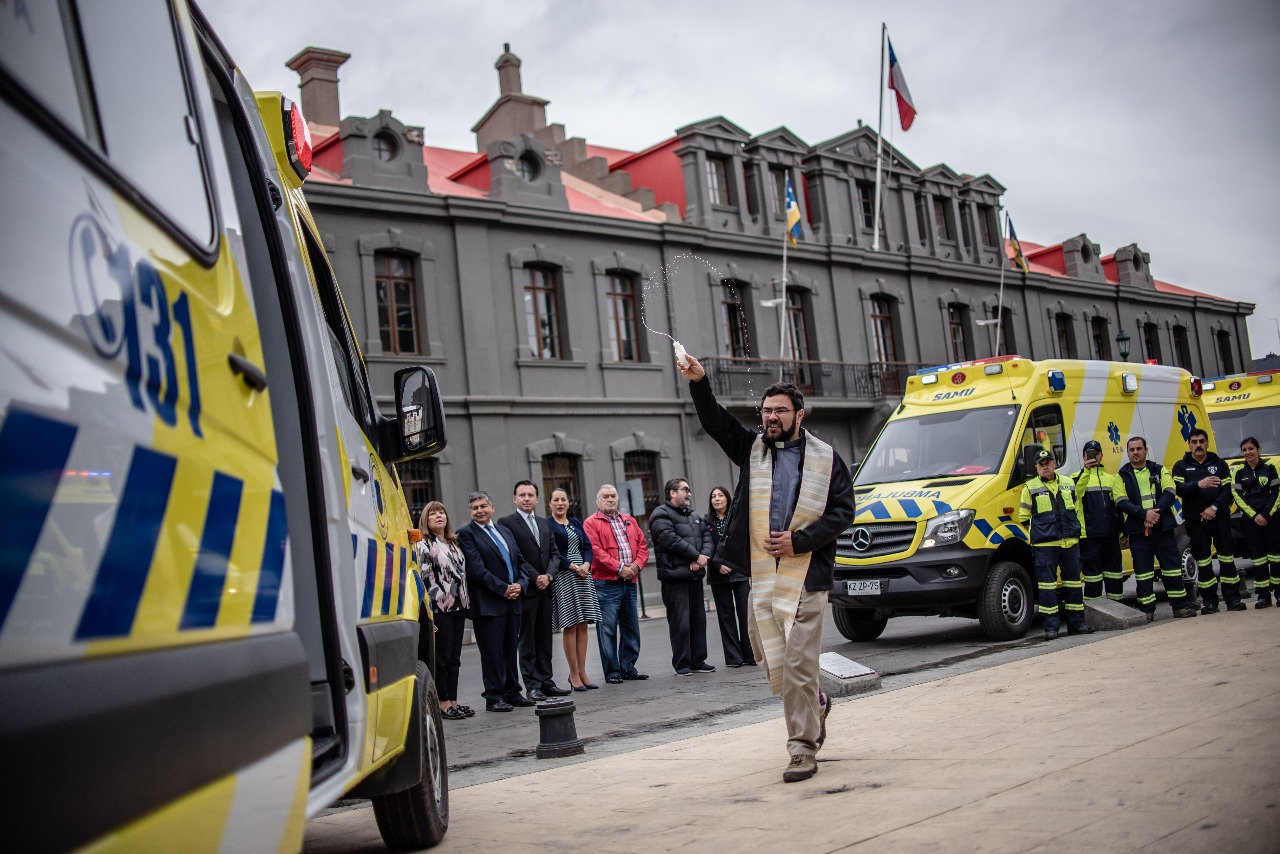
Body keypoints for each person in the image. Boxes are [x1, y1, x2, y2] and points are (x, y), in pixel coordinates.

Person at [678, 354, 855, 784]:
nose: (771, 417)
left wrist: (801, 539)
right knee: (770, 657)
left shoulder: (827, 459)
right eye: (766, 411)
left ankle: (801, 749)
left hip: (808, 576)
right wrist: (700, 382)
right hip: (762, 576)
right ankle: (816, 701)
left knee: (796, 664)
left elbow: (844, 511)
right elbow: (716, 423)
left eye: (779, 411)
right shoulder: (752, 450)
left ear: (799, 414)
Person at [457, 491, 537, 711]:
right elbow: (476, 570)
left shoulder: (504, 531)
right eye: (475, 508)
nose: (480, 511)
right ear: (470, 511)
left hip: (513, 601)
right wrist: (503, 589)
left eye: (483, 506)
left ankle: (513, 692)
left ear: (492, 508)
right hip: (489, 604)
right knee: (492, 653)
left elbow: (520, 562)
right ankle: (494, 696)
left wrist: (521, 585)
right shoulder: (467, 534)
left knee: (511, 649)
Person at [499, 480, 572, 700]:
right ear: (515, 498)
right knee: (527, 640)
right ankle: (532, 685)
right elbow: (515, 556)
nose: (527, 498)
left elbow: (555, 554)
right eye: (522, 495)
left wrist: (548, 576)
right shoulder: (506, 523)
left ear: (537, 499)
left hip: (546, 589)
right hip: (527, 590)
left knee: (544, 639)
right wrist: (535, 577)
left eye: (530, 495)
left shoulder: (544, 523)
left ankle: (546, 680)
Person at [1114, 436, 1197, 621]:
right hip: (1138, 530)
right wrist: (1144, 515)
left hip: (1163, 528)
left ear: (1145, 450)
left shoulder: (1159, 470)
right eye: (1132, 449)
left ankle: (1180, 607)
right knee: (1143, 572)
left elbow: (1170, 491)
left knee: (1171, 569)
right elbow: (1121, 501)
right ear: (1128, 453)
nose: (1135, 452)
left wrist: (1154, 513)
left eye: (1139, 449)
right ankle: (1147, 610)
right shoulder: (1121, 475)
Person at [1019, 448, 1094, 640]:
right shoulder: (1029, 488)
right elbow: (1024, 518)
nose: (1046, 466)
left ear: (1055, 464)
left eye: (1049, 462)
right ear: (1036, 467)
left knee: (1074, 585)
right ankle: (1051, 627)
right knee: (1047, 588)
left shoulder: (1068, 483)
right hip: (1045, 547)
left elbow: (1076, 509)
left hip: (1070, 543)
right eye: (1041, 464)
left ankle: (1076, 624)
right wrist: (1042, 535)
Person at [583, 484, 649, 685]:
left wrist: (636, 566)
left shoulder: (629, 521)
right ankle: (612, 671)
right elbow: (595, 551)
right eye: (605, 496)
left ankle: (628, 667)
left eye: (613, 496)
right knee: (608, 629)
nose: (610, 499)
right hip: (606, 583)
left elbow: (643, 547)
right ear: (598, 501)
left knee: (631, 627)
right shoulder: (591, 523)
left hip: (630, 582)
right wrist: (620, 568)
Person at [1173, 428, 1244, 613]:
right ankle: (1210, 602)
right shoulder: (1181, 466)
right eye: (1194, 442)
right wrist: (1199, 484)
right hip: (1196, 521)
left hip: (1219, 518)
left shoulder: (1219, 464)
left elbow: (1227, 491)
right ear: (1189, 444)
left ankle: (1233, 599)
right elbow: (1179, 489)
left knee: (1227, 558)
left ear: (1207, 443)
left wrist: (1213, 508)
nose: (1198, 445)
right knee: (1203, 561)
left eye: (1201, 441)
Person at [649, 477, 714, 676]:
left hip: (694, 575)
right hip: (675, 577)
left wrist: (703, 558)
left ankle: (698, 660)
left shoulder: (694, 515)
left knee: (698, 620)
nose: (689, 494)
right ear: (673, 493)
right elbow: (670, 540)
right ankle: (682, 663)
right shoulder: (660, 514)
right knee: (681, 622)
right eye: (685, 490)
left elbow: (707, 537)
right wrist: (695, 556)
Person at [416, 501, 474, 720]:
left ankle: (453, 700)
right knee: (442, 656)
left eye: (441, 512)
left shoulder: (452, 542)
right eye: (433, 514)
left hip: (458, 605)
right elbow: (425, 578)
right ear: (426, 519)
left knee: (454, 657)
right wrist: (433, 603)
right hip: (439, 608)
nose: (438, 516)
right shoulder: (424, 544)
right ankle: (442, 702)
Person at [546, 487, 603, 689]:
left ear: (568, 503)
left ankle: (583, 671)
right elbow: (550, 551)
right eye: (556, 500)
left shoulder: (576, 522)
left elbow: (587, 546)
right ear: (550, 504)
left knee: (583, 625)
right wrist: (570, 565)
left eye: (563, 499)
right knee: (570, 624)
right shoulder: (548, 525)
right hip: (564, 575)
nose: (560, 503)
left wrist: (586, 565)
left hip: (583, 575)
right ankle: (573, 674)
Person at [1072, 440, 1125, 602]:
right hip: (1089, 537)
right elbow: (1076, 494)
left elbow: (1119, 506)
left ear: (1101, 455)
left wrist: (1122, 532)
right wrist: (1086, 471)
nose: (1093, 456)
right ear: (1083, 457)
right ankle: (1093, 612)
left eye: (1097, 453)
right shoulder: (1076, 478)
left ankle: (1117, 608)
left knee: (1115, 576)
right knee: (1092, 578)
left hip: (1111, 536)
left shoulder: (1112, 478)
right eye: (1089, 453)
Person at [707, 485, 753, 668]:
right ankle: (734, 658)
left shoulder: (737, 519)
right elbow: (707, 546)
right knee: (726, 616)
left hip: (739, 572)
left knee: (745, 614)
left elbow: (744, 543)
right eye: (713, 496)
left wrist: (733, 563)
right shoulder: (706, 522)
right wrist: (718, 564)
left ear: (727, 498)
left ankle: (750, 655)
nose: (717, 499)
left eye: (720, 495)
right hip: (718, 575)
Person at [1232, 437, 1280, 608]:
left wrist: (1266, 514)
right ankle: (1263, 596)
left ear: (1258, 449)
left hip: (1272, 519)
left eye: (1251, 448)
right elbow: (1238, 497)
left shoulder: (1270, 468)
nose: (1248, 452)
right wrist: (1254, 516)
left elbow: (1277, 493)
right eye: (1244, 450)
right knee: (1258, 559)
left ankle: (1279, 593)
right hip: (1251, 521)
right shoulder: (1239, 472)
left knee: (1276, 556)